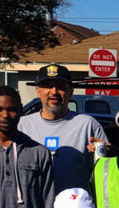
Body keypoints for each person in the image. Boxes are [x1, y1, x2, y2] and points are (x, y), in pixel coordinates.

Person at [18, 63, 107, 192]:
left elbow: (105, 172)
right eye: (48, 86)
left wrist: (107, 153)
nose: (54, 92)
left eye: (60, 87)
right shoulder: (22, 126)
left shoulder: (87, 125)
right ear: (37, 90)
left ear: (71, 92)